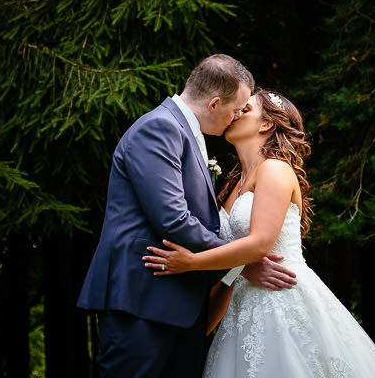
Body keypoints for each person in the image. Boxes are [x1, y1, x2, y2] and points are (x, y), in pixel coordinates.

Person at [143, 88, 375, 378]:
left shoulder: (276, 169)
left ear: (266, 124)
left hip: (282, 302)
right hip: (241, 313)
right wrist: (203, 324)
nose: (237, 113)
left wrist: (192, 262)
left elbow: (260, 243)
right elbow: (236, 269)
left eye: (247, 109)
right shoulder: (233, 184)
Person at [78, 55, 298, 378]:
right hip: (142, 300)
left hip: (181, 306)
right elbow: (174, 219)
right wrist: (241, 262)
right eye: (235, 110)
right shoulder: (159, 128)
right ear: (213, 104)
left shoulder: (187, 134)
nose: (235, 117)